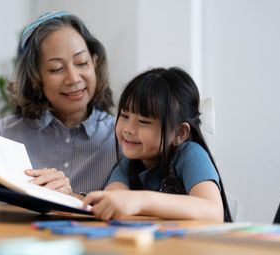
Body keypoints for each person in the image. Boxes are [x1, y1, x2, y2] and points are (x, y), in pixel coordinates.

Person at [0, 12, 117, 208]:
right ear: (35, 77)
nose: (73, 78)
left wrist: (74, 197)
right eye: (56, 69)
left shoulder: (120, 136)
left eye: (82, 63)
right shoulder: (8, 132)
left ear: (95, 63)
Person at [82, 67, 232, 222]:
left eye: (143, 121)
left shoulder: (190, 154)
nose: (128, 129)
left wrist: (142, 200)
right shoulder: (128, 163)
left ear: (179, 133)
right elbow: (114, 201)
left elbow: (213, 212)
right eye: (125, 115)